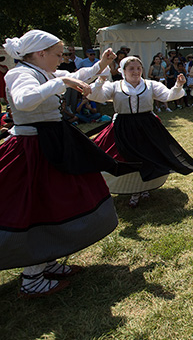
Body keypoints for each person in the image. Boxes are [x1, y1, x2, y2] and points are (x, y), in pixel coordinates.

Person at [0, 30, 133, 298]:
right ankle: (32, 278)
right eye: (58, 55)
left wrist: (102, 66)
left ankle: (48, 261)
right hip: (32, 150)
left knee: (54, 203)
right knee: (37, 207)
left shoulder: (44, 73)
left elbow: (77, 77)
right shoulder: (20, 75)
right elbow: (24, 102)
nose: (62, 60)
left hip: (50, 145)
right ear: (40, 54)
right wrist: (64, 83)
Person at [90, 56, 193, 208]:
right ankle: (133, 189)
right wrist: (100, 81)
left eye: (138, 68)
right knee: (127, 159)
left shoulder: (149, 85)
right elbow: (97, 96)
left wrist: (178, 85)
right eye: (131, 69)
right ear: (123, 71)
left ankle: (143, 188)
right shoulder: (115, 86)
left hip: (147, 126)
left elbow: (167, 96)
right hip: (123, 127)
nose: (136, 72)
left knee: (149, 157)